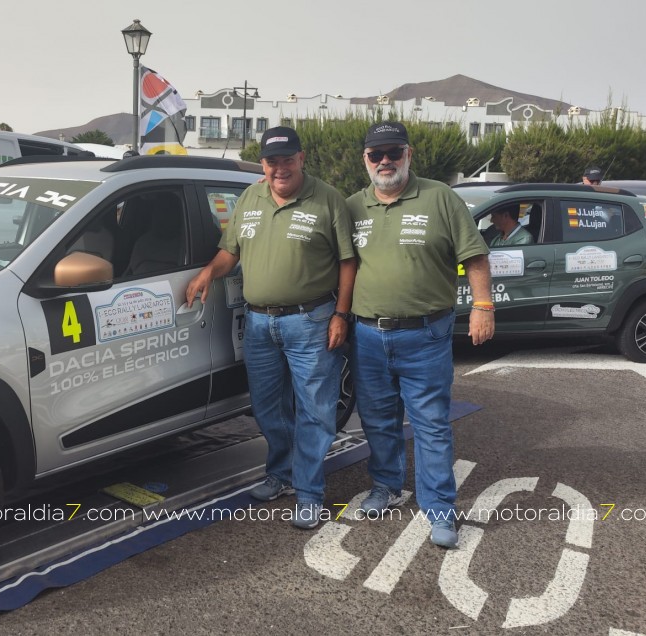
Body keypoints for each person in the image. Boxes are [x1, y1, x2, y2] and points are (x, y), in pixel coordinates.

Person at [186, 126, 355, 530]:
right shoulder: (250, 197)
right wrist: (210, 271)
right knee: (267, 407)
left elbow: (348, 262)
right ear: (264, 163)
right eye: (272, 161)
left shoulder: (327, 199)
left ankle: (310, 492)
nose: (280, 168)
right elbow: (231, 251)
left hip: (312, 319)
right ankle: (280, 475)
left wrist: (341, 314)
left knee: (315, 410)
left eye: (287, 159)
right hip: (260, 322)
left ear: (301, 158)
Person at [346, 121, 494, 549]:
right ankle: (386, 487)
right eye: (377, 154)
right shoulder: (353, 206)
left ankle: (441, 509)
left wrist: (483, 307)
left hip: (425, 335)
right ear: (366, 160)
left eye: (394, 152)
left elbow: (475, 257)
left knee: (430, 424)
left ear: (408, 154)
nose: (385, 161)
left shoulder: (440, 197)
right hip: (368, 335)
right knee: (377, 420)